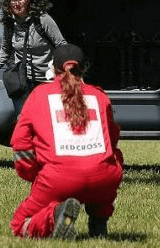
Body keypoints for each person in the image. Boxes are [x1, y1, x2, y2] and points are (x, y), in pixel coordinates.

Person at [10, 44, 123, 240]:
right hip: (104, 182)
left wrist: (34, 175)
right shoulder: (100, 96)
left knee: (20, 224)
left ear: (53, 68)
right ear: (83, 68)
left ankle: (56, 216)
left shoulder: (38, 95)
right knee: (108, 163)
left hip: (58, 180)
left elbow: (20, 143)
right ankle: (99, 221)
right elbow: (112, 141)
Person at [0, 0, 66, 87]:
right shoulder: (9, 23)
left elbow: (61, 45)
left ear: (28, 1)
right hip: (23, 81)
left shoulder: (42, 19)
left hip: (46, 81)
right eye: (13, 0)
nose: (17, 4)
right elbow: (5, 50)